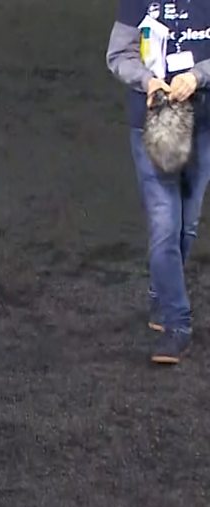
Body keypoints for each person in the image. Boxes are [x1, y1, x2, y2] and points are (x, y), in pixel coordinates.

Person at [107, 0, 210, 363]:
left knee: (188, 225)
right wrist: (147, 81)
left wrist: (197, 76)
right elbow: (118, 54)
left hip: (203, 126)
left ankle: (161, 291)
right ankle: (177, 323)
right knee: (166, 225)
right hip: (152, 125)